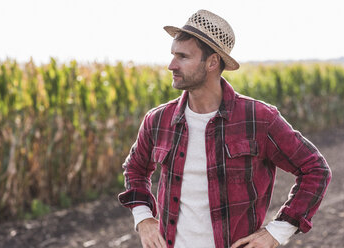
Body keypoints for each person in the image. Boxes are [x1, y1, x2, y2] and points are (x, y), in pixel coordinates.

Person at [118, 9, 331, 248]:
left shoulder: (259, 119)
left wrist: (277, 232)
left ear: (212, 62)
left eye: (183, 57)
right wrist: (144, 218)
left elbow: (316, 169)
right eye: (172, 55)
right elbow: (135, 169)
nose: (171, 65)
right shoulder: (158, 120)